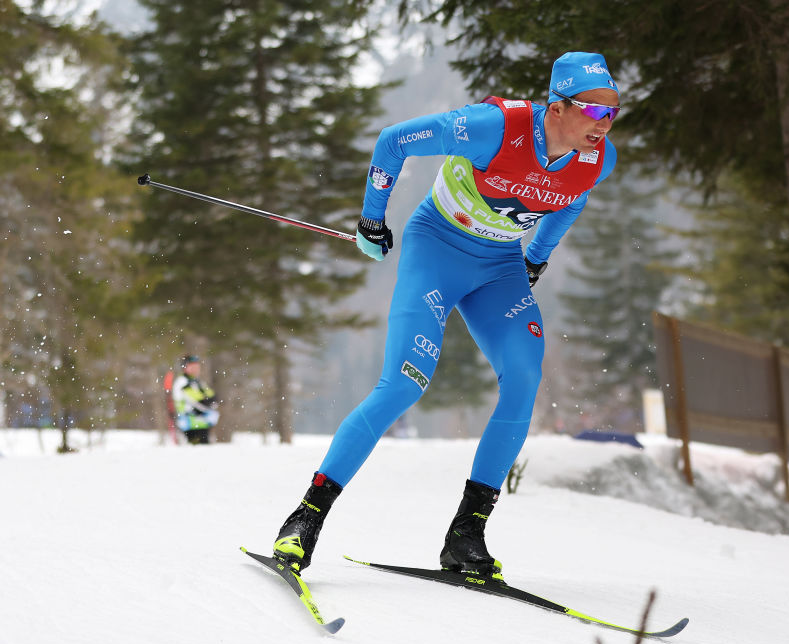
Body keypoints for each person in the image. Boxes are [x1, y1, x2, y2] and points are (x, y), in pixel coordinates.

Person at [273, 51, 620, 577]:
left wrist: (536, 258)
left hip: (499, 265)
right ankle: (306, 519)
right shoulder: (493, 128)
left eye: (613, 112)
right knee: (405, 384)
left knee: (524, 378)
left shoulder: (600, 159)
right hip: (436, 248)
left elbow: (571, 200)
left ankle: (466, 537)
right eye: (595, 112)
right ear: (557, 107)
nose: (605, 125)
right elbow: (393, 141)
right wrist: (372, 221)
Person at [172, 354, 219, 444]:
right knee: (196, 452)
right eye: (192, 366)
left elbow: (213, 398)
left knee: (204, 452)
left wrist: (210, 402)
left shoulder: (198, 382)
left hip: (202, 423)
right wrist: (208, 404)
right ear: (185, 367)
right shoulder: (182, 382)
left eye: (197, 366)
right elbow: (200, 402)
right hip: (190, 425)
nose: (195, 369)